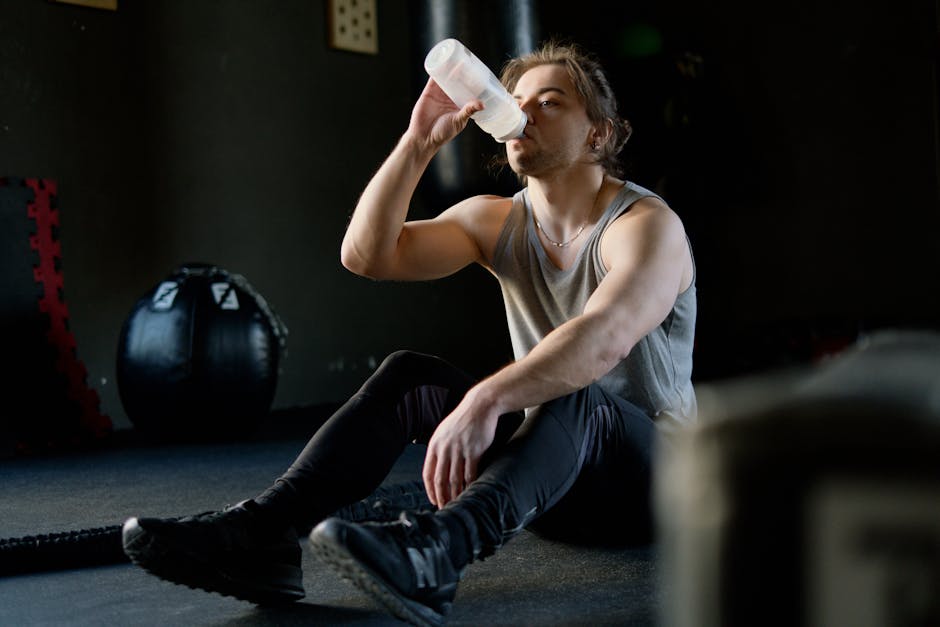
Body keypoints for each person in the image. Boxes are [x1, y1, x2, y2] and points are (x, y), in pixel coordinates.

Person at [121, 40, 696, 627]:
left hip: (664, 492)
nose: (524, 113)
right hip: (551, 485)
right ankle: (262, 536)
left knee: (575, 392)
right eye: (515, 100)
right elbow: (367, 254)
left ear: (598, 134)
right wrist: (418, 142)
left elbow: (604, 339)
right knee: (409, 376)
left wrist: (486, 398)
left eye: (549, 103)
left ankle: (438, 552)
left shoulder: (645, 226)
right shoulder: (495, 219)